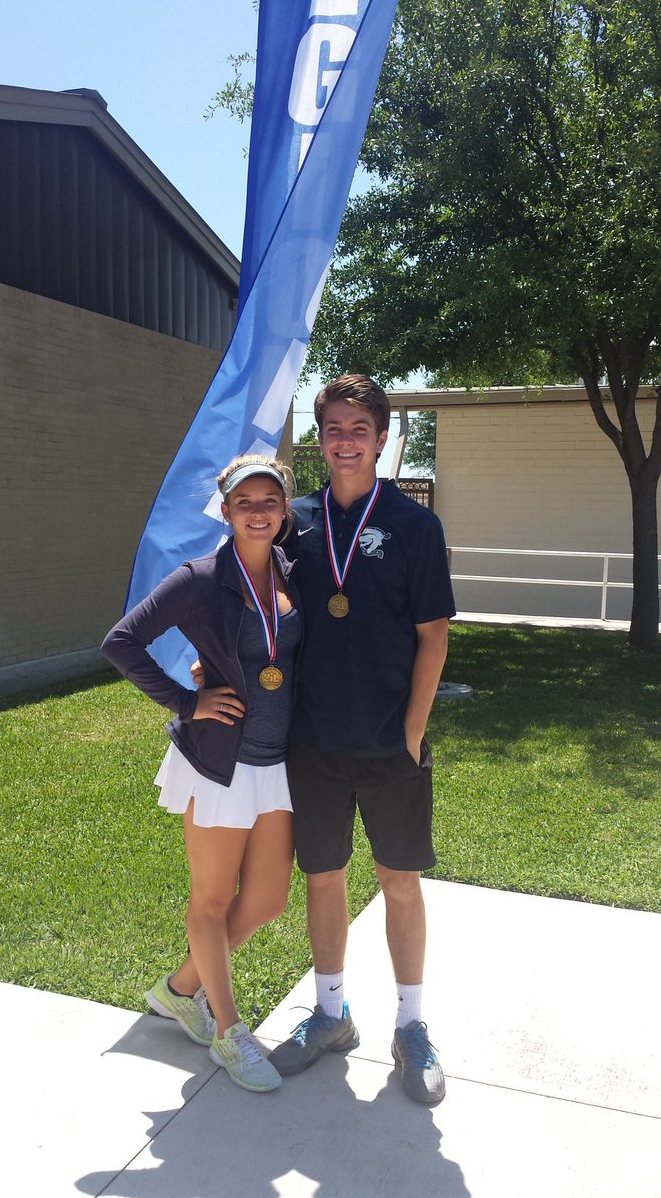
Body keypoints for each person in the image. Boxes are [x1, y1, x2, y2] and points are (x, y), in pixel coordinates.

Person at [172, 374, 456, 1105]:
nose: (346, 440)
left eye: (360, 428)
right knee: (324, 877)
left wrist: (413, 731)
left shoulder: (414, 526)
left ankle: (412, 1026)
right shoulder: (294, 521)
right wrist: (216, 663)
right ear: (320, 438)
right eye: (334, 428)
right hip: (311, 742)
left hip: (390, 741)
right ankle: (332, 1014)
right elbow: (249, 600)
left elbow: (433, 636)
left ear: (382, 438)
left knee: (399, 880)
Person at [101, 455, 301, 1094]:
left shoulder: (292, 571)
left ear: (284, 509)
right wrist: (188, 702)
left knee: (268, 899)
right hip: (220, 764)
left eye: (269, 500)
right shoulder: (201, 578)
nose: (258, 512)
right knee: (212, 900)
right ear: (227, 510)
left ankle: (182, 988)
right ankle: (228, 1032)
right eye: (245, 502)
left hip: (279, 763)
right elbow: (121, 642)